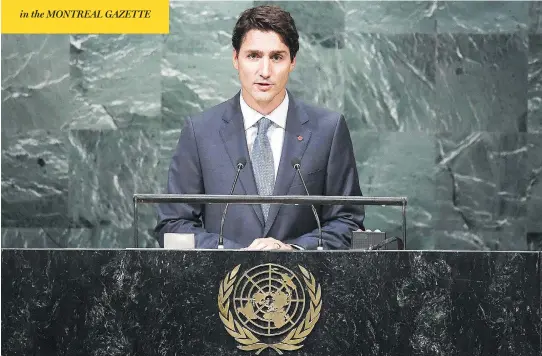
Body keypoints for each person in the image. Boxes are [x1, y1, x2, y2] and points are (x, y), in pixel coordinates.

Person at [155, 5, 365, 250]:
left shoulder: (328, 130)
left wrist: (292, 250)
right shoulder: (200, 132)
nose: (265, 71)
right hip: (220, 283)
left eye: (276, 57)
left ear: (292, 62)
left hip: (304, 283)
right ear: (236, 59)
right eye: (253, 55)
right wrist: (240, 255)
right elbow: (174, 224)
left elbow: (348, 221)